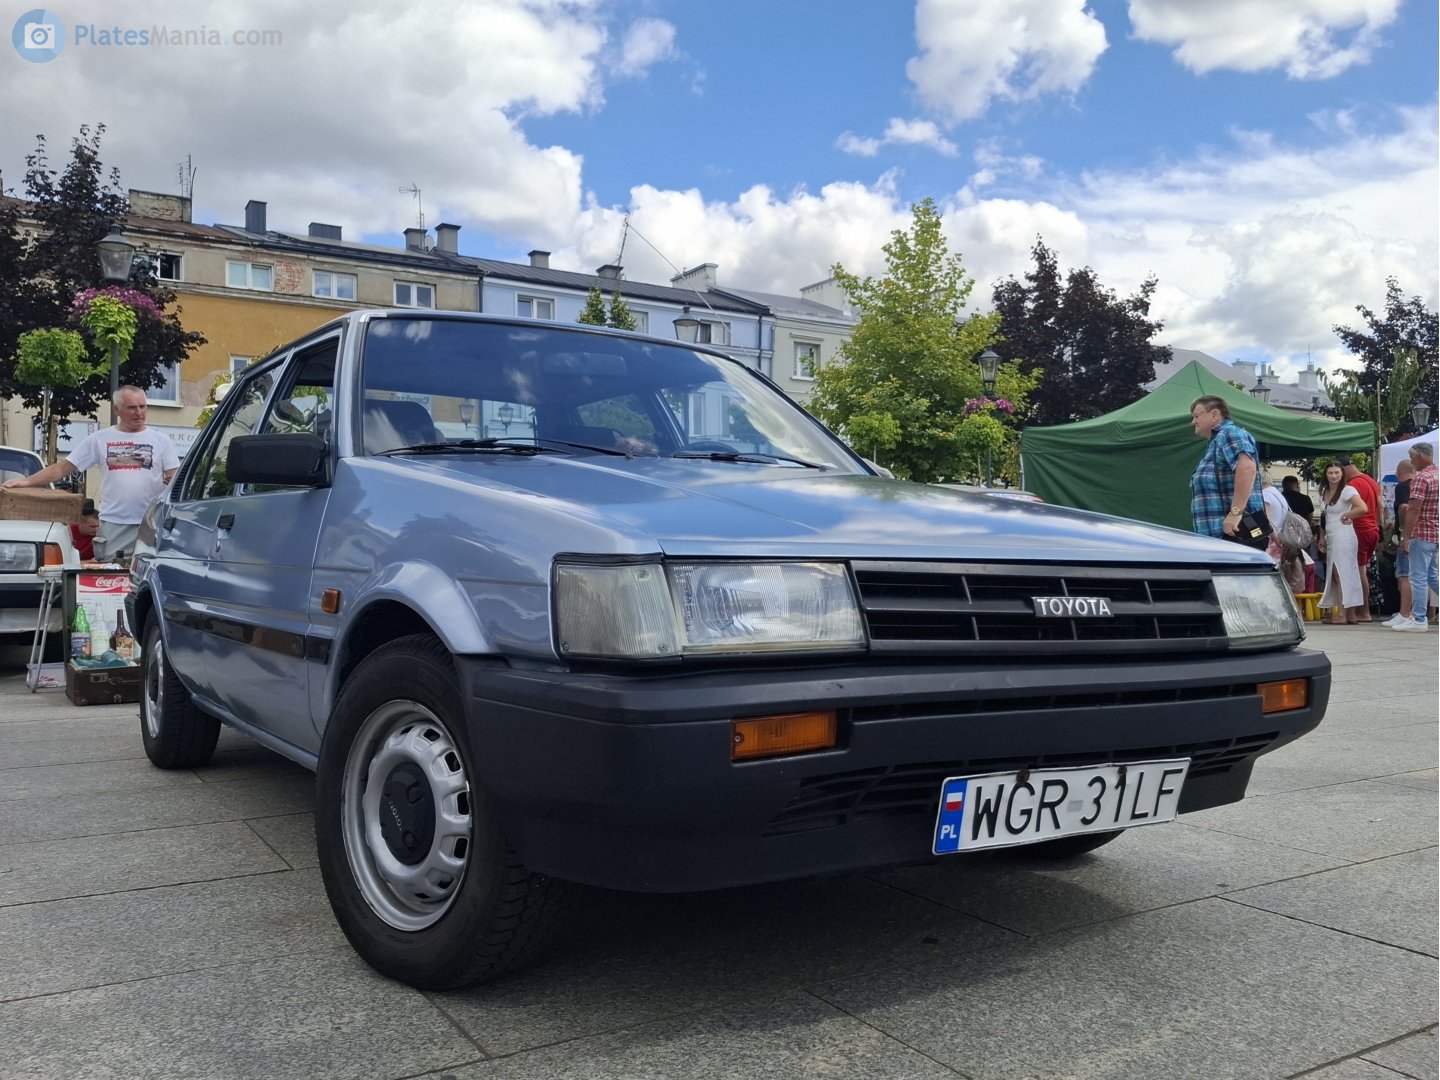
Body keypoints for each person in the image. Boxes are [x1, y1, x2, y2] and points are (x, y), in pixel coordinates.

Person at [1, 386, 178, 562]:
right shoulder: (99, 439)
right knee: (112, 576)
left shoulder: (161, 440)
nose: (139, 412)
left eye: (142, 406)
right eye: (132, 407)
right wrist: (26, 482)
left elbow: (175, 478)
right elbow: (63, 468)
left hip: (152, 522)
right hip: (114, 523)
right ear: (117, 409)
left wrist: (173, 481)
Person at [1188, 396, 1265, 546]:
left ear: (1215, 415)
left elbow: (1247, 468)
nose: (1193, 422)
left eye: (1196, 416)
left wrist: (1235, 513)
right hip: (1226, 537)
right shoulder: (1216, 442)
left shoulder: (1229, 433)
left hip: (1233, 536)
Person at [1392, 441, 1438, 632]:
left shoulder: (1421, 478)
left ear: (1419, 456)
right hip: (1436, 533)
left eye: (1412, 457)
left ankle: (1419, 619)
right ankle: (1418, 618)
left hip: (1421, 533)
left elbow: (1413, 509)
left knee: (1417, 577)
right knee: (1432, 576)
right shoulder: (1438, 475)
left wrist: (1406, 537)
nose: (1412, 462)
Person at [1316, 463, 1368, 624]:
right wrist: (1322, 537)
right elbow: (1324, 518)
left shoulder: (1347, 490)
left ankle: (1342, 613)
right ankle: (1348, 613)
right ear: (1326, 475)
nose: (1333, 476)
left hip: (1344, 534)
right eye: (1330, 472)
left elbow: (1362, 508)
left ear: (1342, 473)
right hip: (1331, 534)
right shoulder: (1324, 492)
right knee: (1339, 573)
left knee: (1342, 573)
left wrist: (1348, 514)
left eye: (1336, 472)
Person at [1339, 458, 1382, 621]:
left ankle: (1362, 612)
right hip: (1373, 529)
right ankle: (1363, 611)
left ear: (1345, 470)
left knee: (1358, 571)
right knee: (1361, 570)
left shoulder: (1354, 484)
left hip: (1360, 530)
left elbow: (1350, 507)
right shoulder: (1370, 480)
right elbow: (1380, 504)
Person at [1382, 459, 1414, 628]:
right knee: (1425, 576)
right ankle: (1412, 612)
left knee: (1404, 575)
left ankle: (1404, 613)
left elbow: (1404, 507)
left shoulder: (1402, 486)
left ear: (1399, 472)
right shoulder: (1420, 485)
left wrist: (1402, 530)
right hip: (1424, 534)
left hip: (1407, 535)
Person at [1261, 478, 1290, 567]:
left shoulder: (1266, 494)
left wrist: (1276, 539)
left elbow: (1267, 520)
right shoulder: (1278, 494)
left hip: (1271, 539)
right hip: (1281, 536)